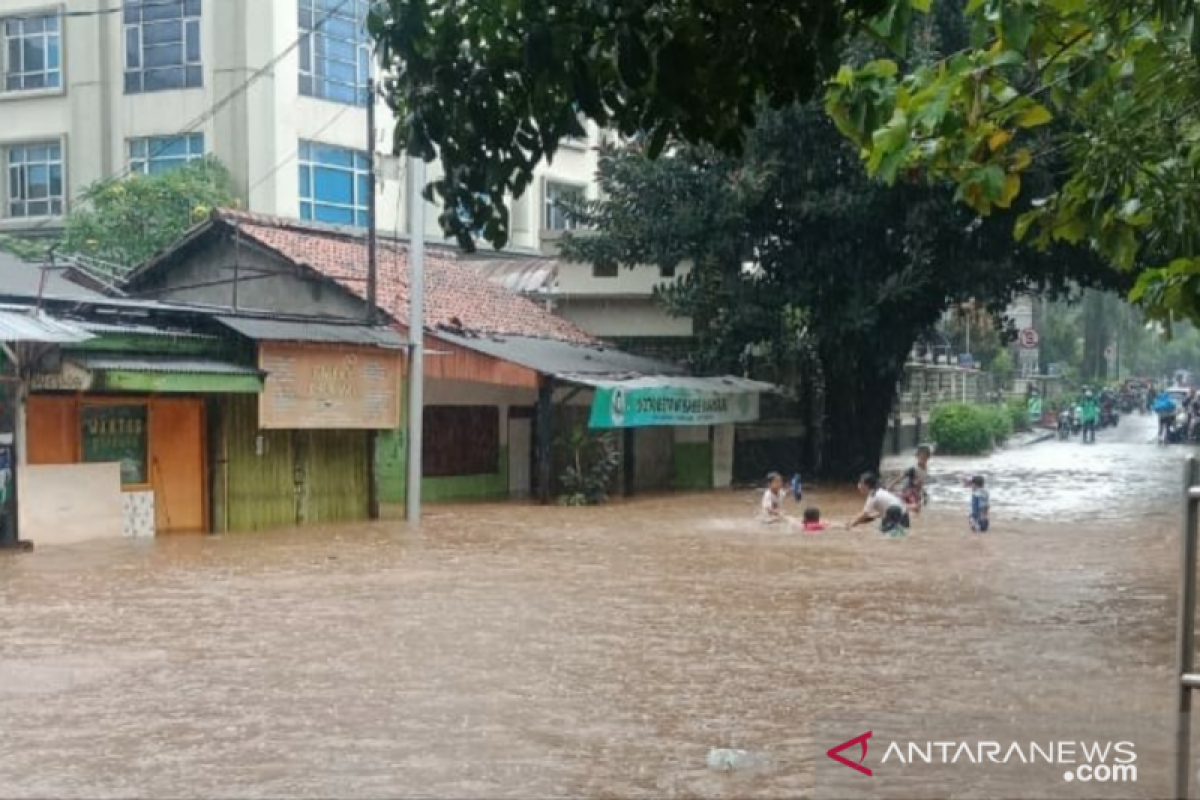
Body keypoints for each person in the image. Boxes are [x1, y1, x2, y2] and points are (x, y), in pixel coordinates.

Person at [848, 472, 910, 537]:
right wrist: (855, 521)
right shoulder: (880, 491)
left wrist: (851, 525)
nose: (859, 485)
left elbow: (864, 514)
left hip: (896, 517)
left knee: (880, 535)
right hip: (904, 519)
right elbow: (874, 515)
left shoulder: (873, 496)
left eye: (860, 483)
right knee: (881, 531)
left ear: (866, 485)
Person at [889, 444, 931, 513]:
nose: (923, 459)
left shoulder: (926, 469)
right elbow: (902, 476)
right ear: (917, 457)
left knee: (916, 510)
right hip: (909, 491)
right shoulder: (913, 469)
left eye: (925, 457)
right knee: (915, 508)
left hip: (916, 492)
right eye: (921, 457)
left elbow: (921, 482)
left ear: (928, 458)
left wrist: (924, 493)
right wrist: (892, 484)